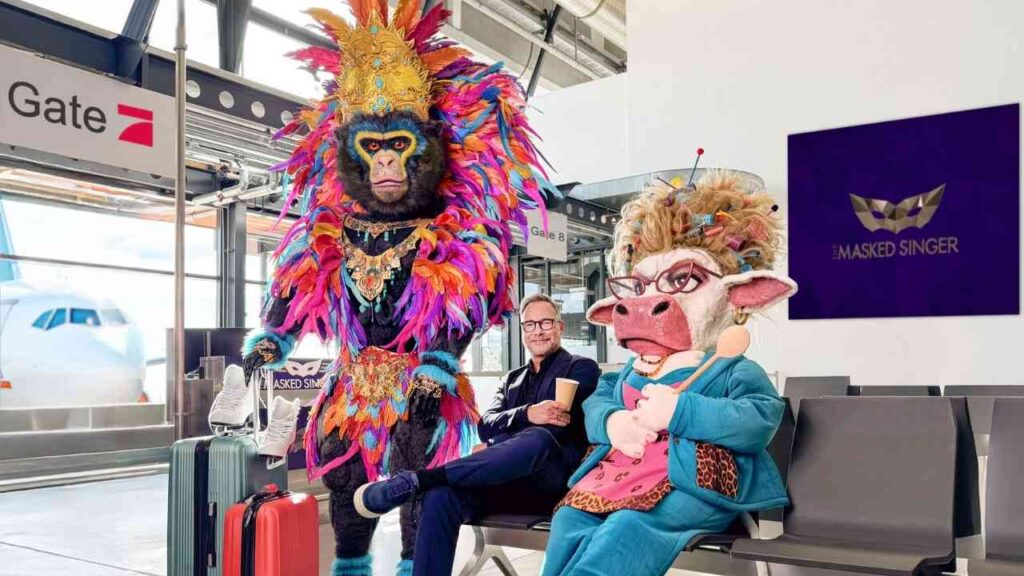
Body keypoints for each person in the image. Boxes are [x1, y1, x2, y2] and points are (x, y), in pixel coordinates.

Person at [353, 293, 601, 575]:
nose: (538, 331)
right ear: (522, 332)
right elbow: (485, 425)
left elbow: (556, 424)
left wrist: (498, 443)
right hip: (502, 482)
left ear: (560, 327)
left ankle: (417, 480)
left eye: (546, 322)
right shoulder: (511, 380)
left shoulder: (581, 368)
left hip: (550, 484)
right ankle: (426, 485)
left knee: (539, 439)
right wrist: (526, 414)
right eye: (530, 324)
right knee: (440, 497)